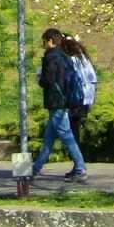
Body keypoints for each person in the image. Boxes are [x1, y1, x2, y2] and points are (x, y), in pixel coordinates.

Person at [32, 28, 88, 181]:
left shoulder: (51, 57)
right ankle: (35, 168)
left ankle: (80, 168)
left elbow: (48, 81)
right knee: (49, 138)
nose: (43, 45)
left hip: (56, 101)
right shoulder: (65, 56)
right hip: (64, 100)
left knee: (67, 136)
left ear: (50, 41)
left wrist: (40, 79)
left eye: (44, 41)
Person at [63, 36, 99, 140]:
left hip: (77, 98)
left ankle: (76, 153)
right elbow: (93, 79)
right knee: (75, 126)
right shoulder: (84, 59)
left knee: (73, 127)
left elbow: (71, 79)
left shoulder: (72, 60)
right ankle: (76, 152)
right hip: (87, 98)